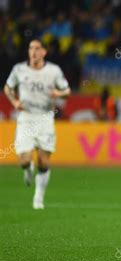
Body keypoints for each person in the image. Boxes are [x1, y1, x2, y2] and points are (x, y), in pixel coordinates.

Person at [3, 39, 71, 209]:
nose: (33, 51)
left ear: (44, 52)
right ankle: (27, 169)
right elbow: (7, 87)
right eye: (31, 48)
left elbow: (67, 91)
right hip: (26, 117)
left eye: (37, 48)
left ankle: (38, 198)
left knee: (44, 161)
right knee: (24, 160)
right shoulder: (19, 69)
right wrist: (14, 102)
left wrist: (58, 93)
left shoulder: (54, 71)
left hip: (45, 117)